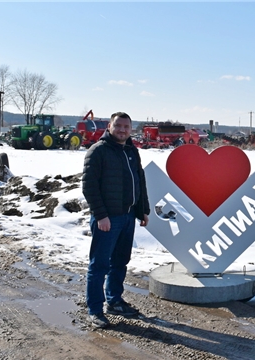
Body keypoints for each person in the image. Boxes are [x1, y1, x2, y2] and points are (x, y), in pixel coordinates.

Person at [82, 112, 150, 328]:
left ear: (131, 129)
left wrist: (143, 210)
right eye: (118, 126)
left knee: (120, 262)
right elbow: (89, 187)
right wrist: (101, 216)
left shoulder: (131, 151)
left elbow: (139, 181)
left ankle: (114, 301)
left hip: (128, 216)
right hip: (107, 219)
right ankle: (94, 309)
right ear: (109, 127)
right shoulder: (98, 151)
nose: (122, 130)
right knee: (99, 265)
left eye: (126, 127)